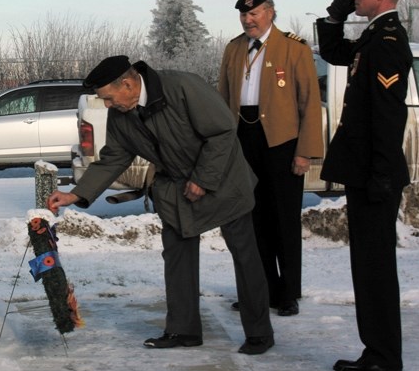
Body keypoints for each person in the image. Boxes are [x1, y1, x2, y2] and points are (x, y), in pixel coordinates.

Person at [47, 56, 274, 355]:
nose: (107, 105)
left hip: (223, 180)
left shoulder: (183, 86)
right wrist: (75, 194)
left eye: (108, 98)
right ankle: (183, 330)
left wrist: (203, 179)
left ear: (127, 84)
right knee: (177, 257)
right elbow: (115, 157)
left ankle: (259, 333)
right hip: (176, 189)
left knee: (245, 256)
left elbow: (222, 132)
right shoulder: (121, 114)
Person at [315, 0, 411, 371]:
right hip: (367, 171)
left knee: (375, 268)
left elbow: (388, 116)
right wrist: (334, 18)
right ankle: (376, 351)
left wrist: (381, 174)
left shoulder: (388, 41)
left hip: (376, 173)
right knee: (367, 266)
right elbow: (336, 54)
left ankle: (385, 360)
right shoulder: (374, 36)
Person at [218, 0, 323, 317]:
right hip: (244, 139)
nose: (248, 20)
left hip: (281, 142)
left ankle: (288, 292)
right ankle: (260, 289)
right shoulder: (234, 49)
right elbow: (223, 100)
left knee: (284, 219)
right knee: (252, 218)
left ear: (270, 12)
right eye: (243, 15)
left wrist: (305, 151)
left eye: (254, 13)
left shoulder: (294, 48)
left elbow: (309, 103)